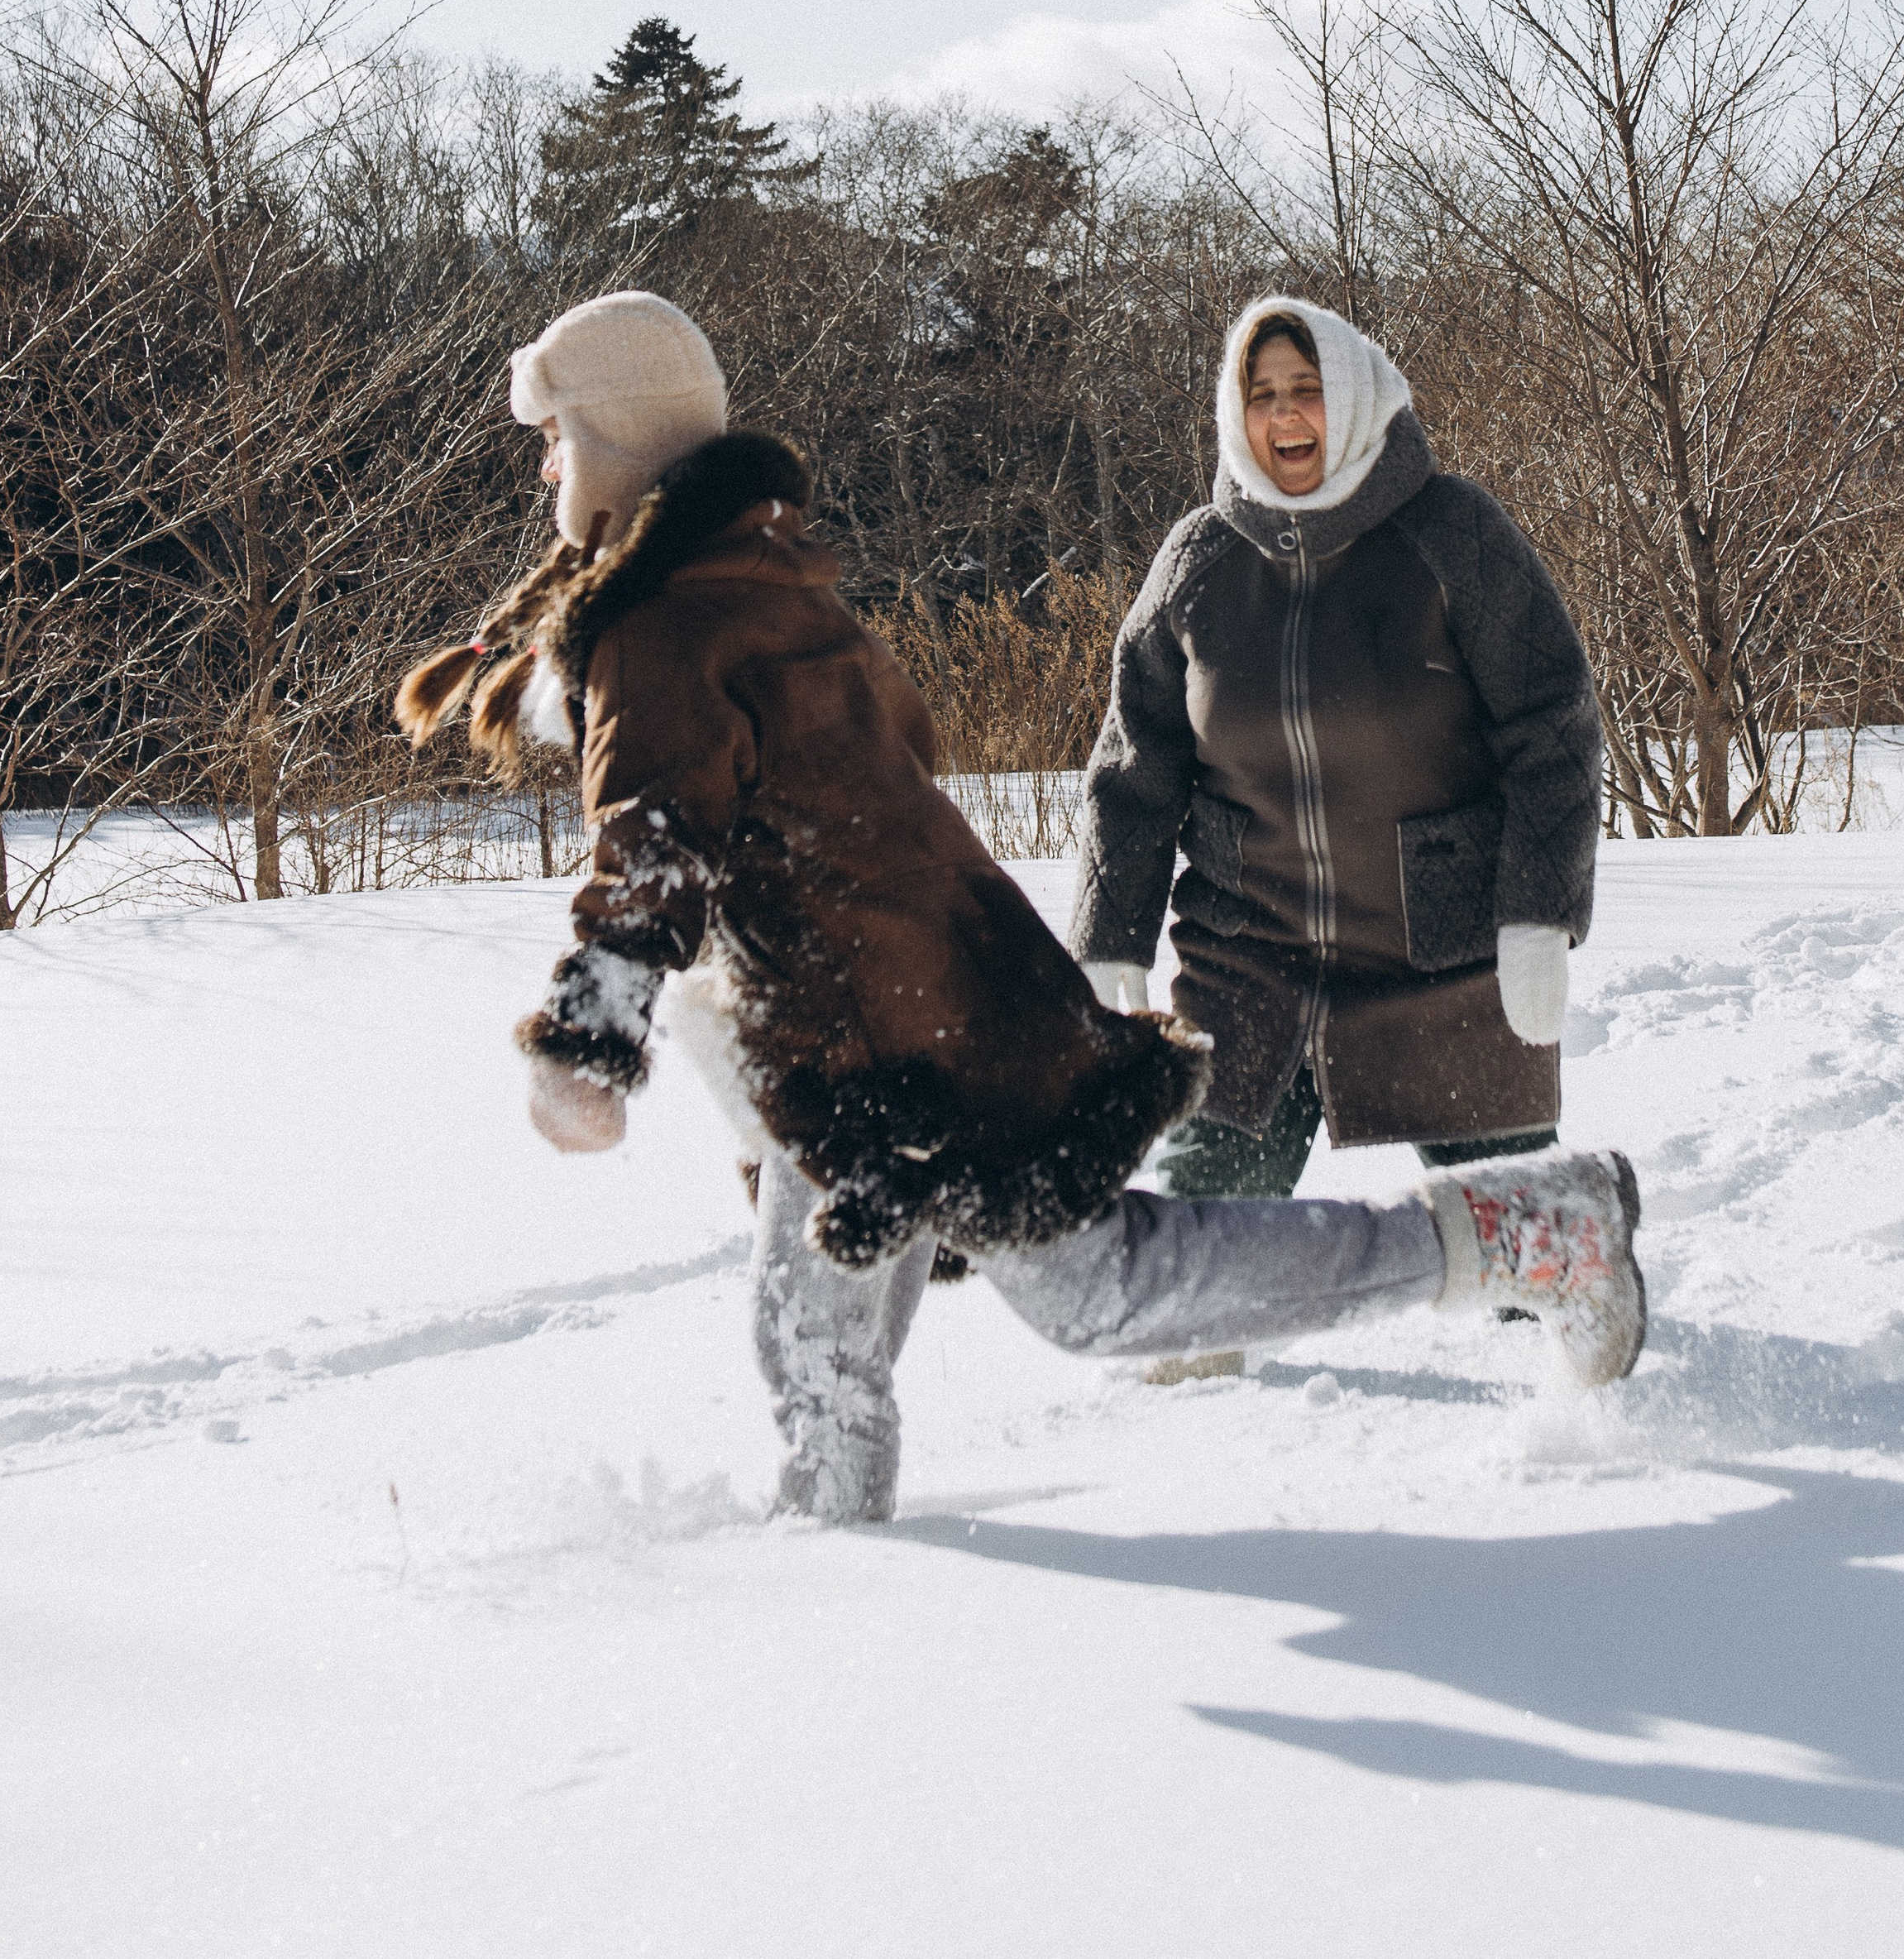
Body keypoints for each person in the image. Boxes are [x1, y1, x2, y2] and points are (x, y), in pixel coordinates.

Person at [398, 291, 1643, 1528]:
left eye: (558, 430)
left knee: (1099, 1291)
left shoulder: (675, 618)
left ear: (614, 436)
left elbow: (654, 841)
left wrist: (589, 1040)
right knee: (813, 1342)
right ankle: (822, 1567)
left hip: (926, 1023)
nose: (547, 459)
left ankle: (1529, 1228)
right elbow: (975, 750)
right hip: (850, 1024)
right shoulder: (747, 578)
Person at [1072, 295, 1600, 1213]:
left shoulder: (1453, 532)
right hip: (1247, 969)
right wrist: (1108, 933)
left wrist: (1537, 914)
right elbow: (1133, 768)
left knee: (1532, 1253)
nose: (1283, 414)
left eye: (1306, 388)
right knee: (1194, 1261)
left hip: (1444, 964)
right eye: (1262, 393)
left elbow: (1551, 728)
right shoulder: (1197, 558)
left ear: (1352, 397)